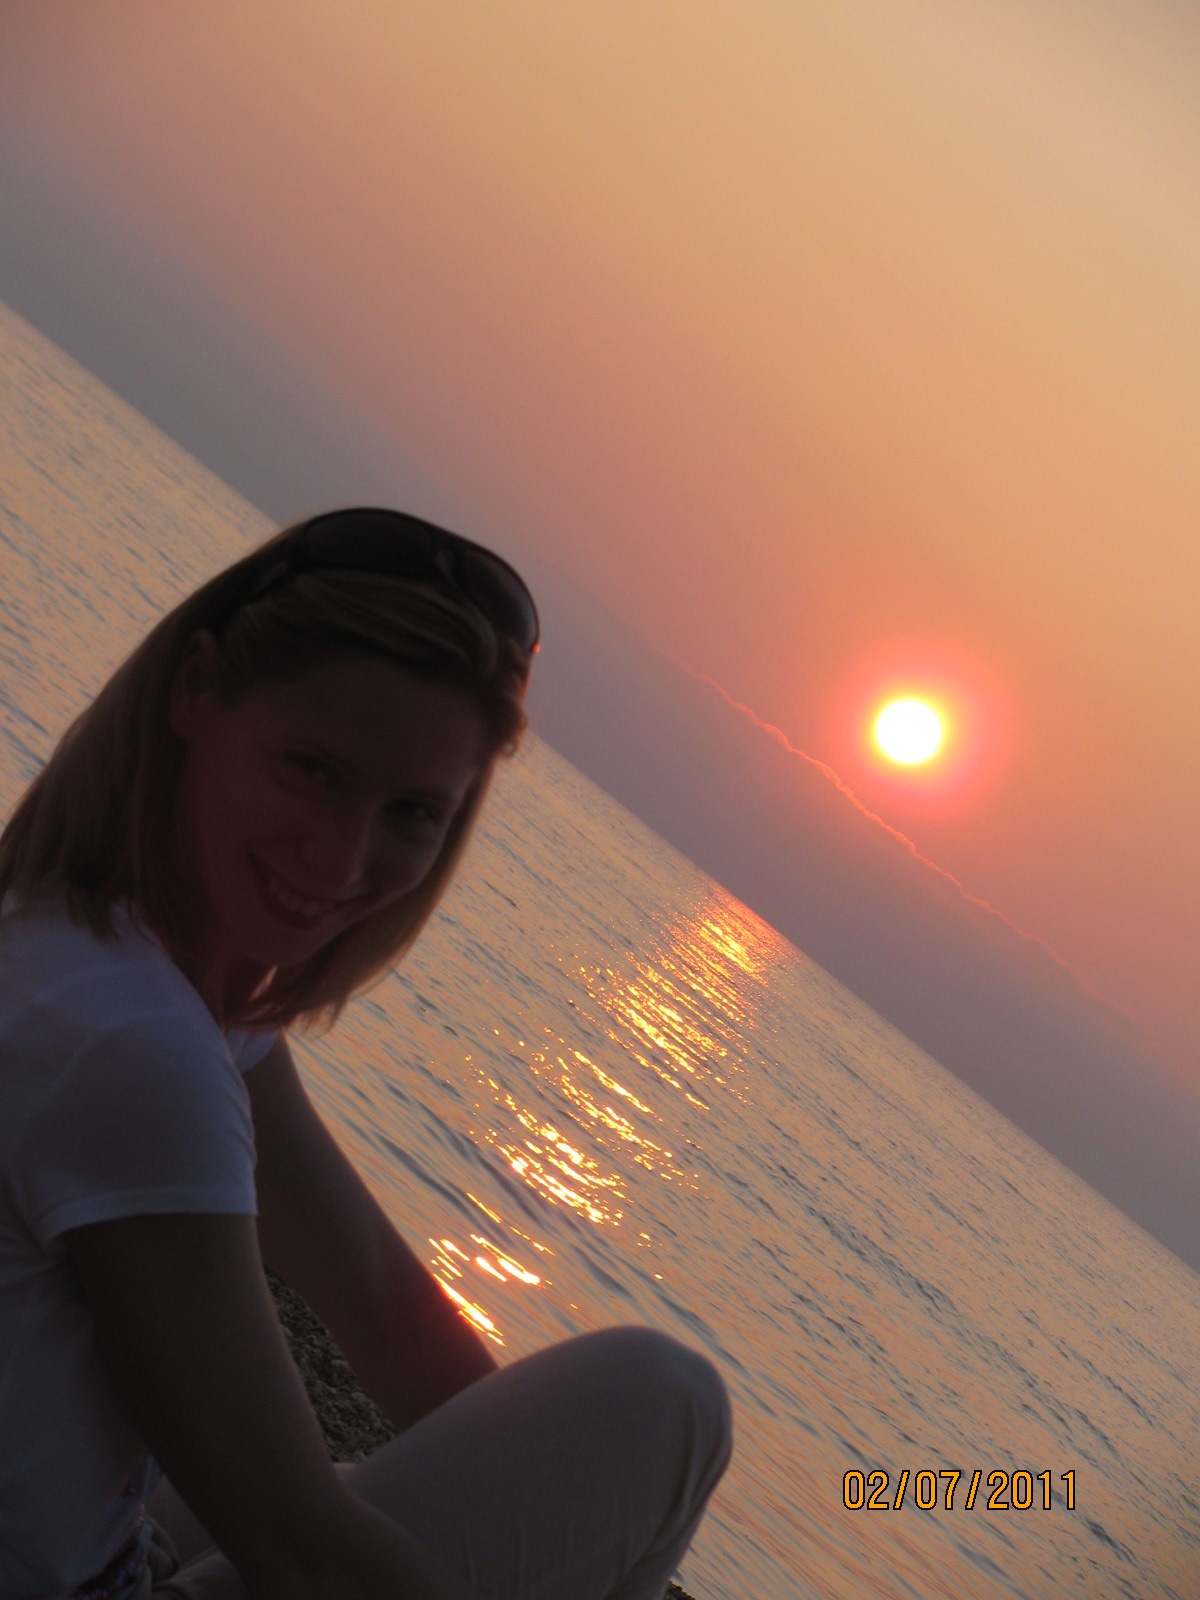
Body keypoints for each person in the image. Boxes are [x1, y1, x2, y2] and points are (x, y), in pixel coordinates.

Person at [0, 509, 732, 1600]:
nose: (342, 859)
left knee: (389, 1484)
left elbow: (388, 1309)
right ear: (195, 689)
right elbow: (297, 1549)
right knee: (662, 1405)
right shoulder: (133, 1044)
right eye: (313, 769)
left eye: (411, 812)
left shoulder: (99, 949)